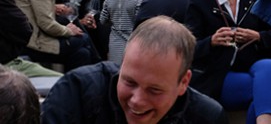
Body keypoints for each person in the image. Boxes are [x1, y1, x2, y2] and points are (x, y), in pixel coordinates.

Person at [41, 16, 227, 123]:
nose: (137, 100)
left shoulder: (206, 118)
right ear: (121, 64)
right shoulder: (77, 92)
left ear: (183, 82)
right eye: (129, 82)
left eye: (154, 90)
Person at [185, 0, 271, 123]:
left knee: (269, 67)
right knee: (267, 90)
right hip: (219, 75)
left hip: (256, 68)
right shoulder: (200, 3)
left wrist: (258, 37)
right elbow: (188, 49)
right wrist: (212, 41)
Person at [98, 0, 141, 64]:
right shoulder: (137, 0)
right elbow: (139, 23)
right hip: (133, 43)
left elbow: (103, 20)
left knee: (115, 71)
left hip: (114, 43)